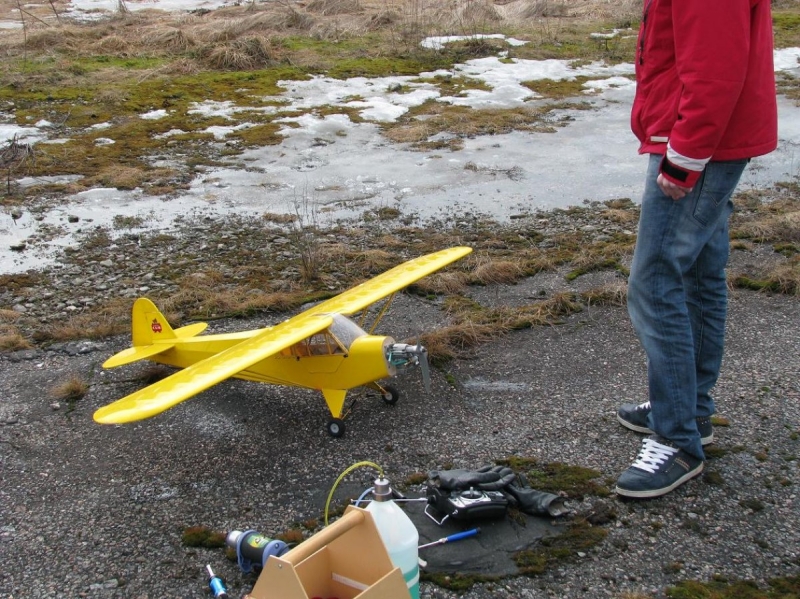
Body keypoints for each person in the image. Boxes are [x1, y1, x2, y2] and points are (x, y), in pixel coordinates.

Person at [615, 0, 778, 499]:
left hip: (697, 141)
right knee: (698, 275)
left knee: (655, 282)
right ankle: (689, 411)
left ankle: (678, 439)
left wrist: (684, 158)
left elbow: (714, 67)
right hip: (704, 136)